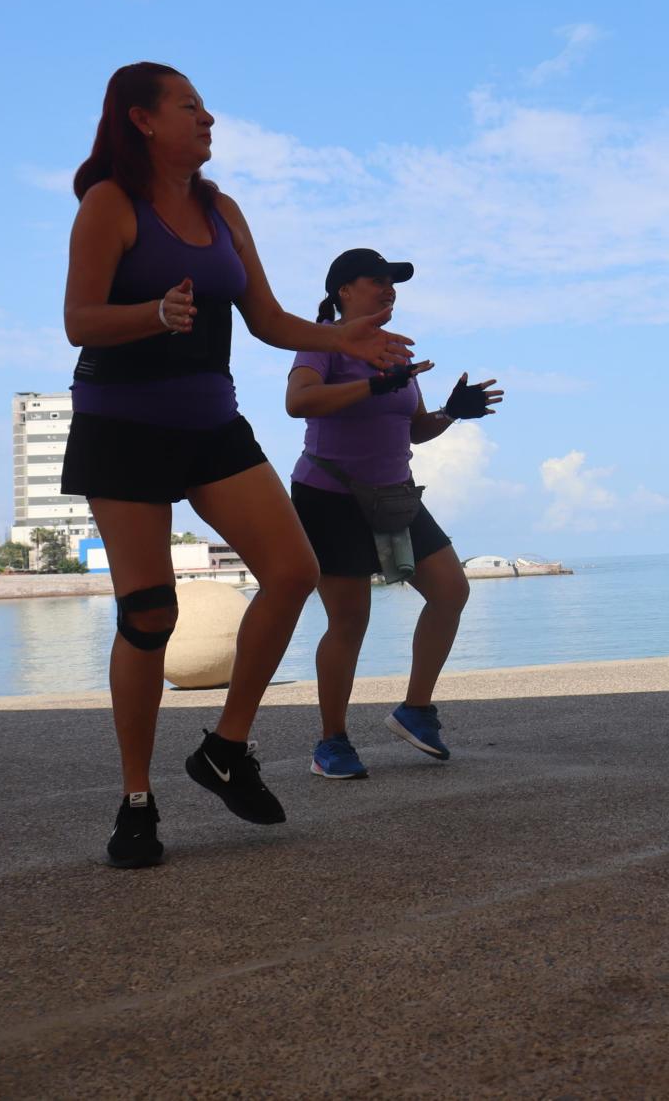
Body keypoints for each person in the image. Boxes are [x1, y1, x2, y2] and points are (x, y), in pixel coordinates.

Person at [61, 63, 411, 869]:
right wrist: (152, 314)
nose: (209, 117)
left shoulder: (222, 210)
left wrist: (343, 339)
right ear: (144, 119)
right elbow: (79, 320)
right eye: (191, 106)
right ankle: (137, 800)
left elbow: (267, 319)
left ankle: (226, 747)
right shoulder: (111, 203)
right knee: (149, 615)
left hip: (212, 423)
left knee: (293, 570)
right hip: (123, 428)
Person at [286, 249, 504, 780]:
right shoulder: (322, 342)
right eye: (376, 281)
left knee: (451, 590)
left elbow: (413, 429)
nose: (389, 290)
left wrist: (452, 411)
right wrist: (370, 384)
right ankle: (331, 743)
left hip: (395, 494)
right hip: (329, 495)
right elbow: (299, 401)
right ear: (343, 290)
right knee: (350, 620)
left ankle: (415, 710)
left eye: (393, 283)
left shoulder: (396, 352)